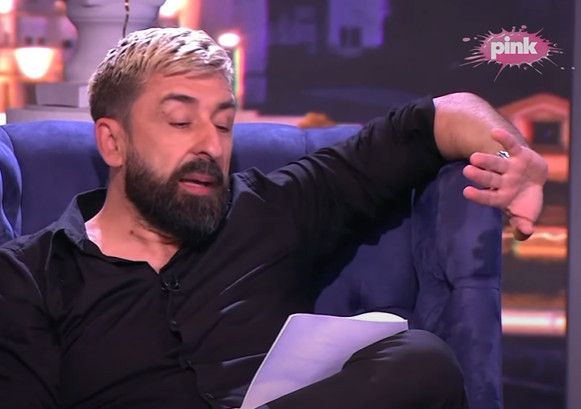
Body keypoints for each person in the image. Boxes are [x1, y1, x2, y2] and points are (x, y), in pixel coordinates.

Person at [0, 27, 547, 409]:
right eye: (180, 121)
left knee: (421, 360)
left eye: (223, 124)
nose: (209, 145)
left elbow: (432, 121)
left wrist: (512, 158)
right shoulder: (29, 276)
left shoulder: (270, 210)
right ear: (113, 142)